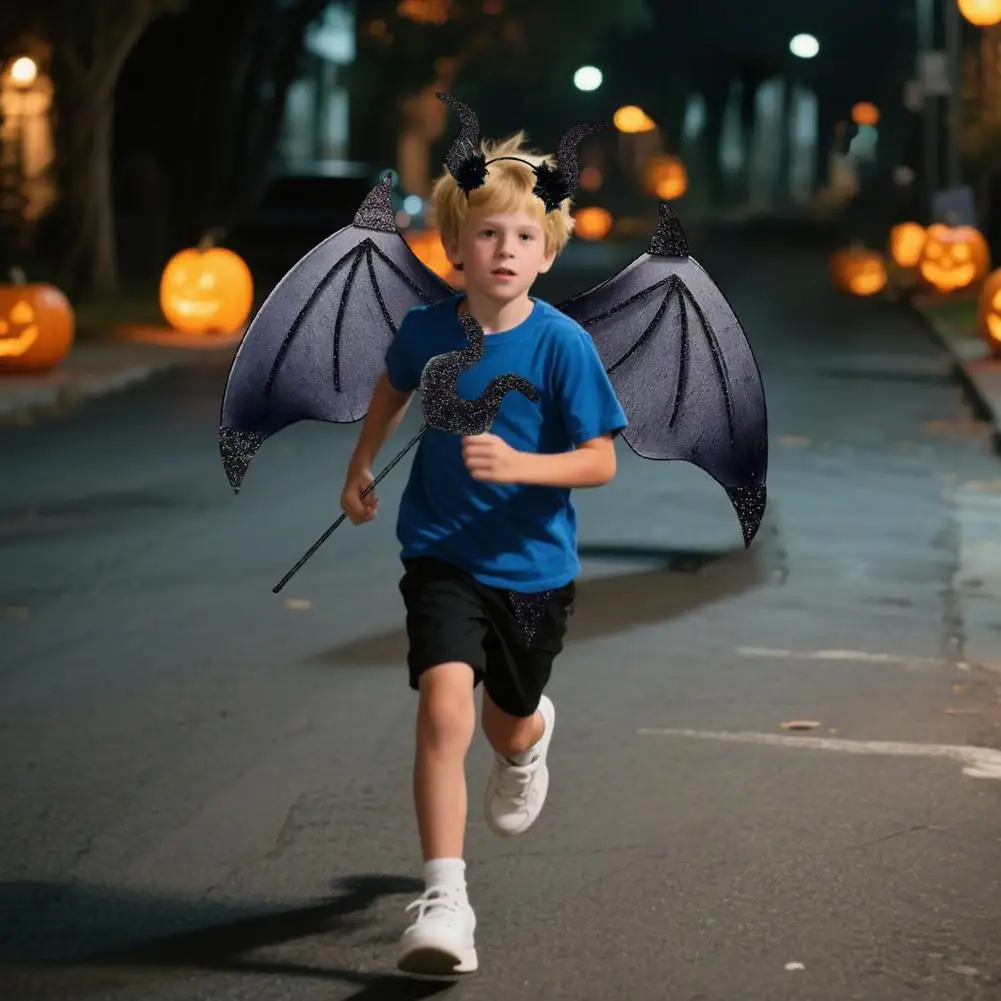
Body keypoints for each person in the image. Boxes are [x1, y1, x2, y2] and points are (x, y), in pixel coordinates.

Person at [338, 129, 628, 977]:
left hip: (533, 570)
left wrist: (522, 465)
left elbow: (600, 461)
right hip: (441, 553)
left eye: (524, 236)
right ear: (455, 247)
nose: (505, 249)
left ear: (547, 253)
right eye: (489, 232)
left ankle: (528, 739)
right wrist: (361, 462)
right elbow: (393, 384)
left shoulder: (561, 345)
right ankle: (444, 897)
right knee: (443, 706)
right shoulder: (427, 330)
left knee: (506, 714)